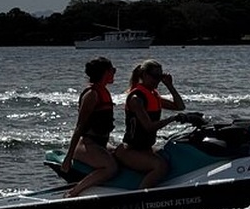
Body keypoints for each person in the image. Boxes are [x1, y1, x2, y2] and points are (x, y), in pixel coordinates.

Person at [114, 59, 186, 189]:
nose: (157, 80)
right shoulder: (137, 98)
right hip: (130, 150)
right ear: (144, 75)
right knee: (161, 166)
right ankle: (140, 195)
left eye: (160, 76)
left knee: (171, 154)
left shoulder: (153, 95)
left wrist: (169, 85)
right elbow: (148, 127)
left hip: (145, 148)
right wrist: (172, 119)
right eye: (154, 76)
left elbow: (180, 106)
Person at [61, 57, 120, 197]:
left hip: (100, 144)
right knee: (111, 168)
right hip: (87, 144)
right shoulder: (92, 95)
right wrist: (68, 157)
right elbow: (79, 127)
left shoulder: (103, 91)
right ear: (105, 72)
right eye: (113, 70)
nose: (114, 73)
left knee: (121, 153)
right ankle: (73, 192)